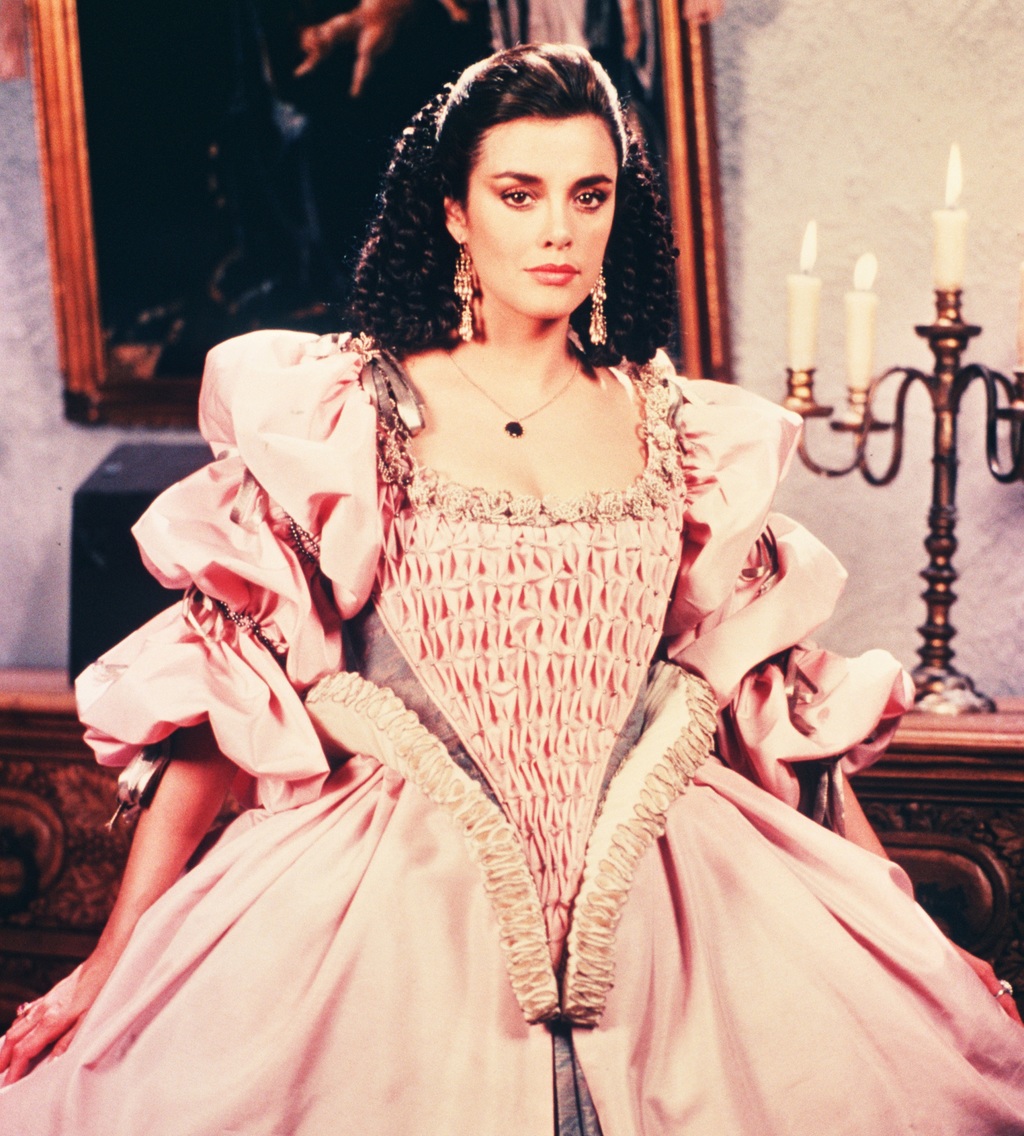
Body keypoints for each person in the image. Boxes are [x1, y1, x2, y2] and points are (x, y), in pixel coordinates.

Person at [1, 43, 1022, 1136]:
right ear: (454, 210)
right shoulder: (348, 412)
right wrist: (111, 959)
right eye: (519, 194)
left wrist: (906, 929)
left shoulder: (681, 430)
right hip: (391, 896)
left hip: (674, 897)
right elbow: (231, 686)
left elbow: (764, 701)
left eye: (589, 195)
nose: (558, 231)